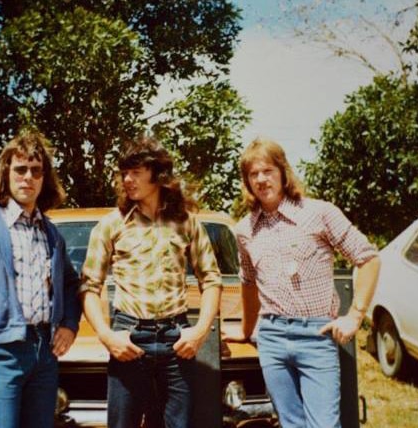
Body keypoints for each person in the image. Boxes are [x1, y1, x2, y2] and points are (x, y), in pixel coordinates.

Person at [225, 137, 381, 428]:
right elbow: (248, 283)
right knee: (290, 423)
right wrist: (247, 331)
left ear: (283, 172)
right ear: (246, 182)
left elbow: (368, 257)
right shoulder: (245, 230)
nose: (261, 179)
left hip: (316, 334)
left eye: (267, 170)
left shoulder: (319, 213)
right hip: (270, 336)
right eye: (253, 174)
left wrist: (355, 315)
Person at [79, 135, 222, 428]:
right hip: (129, 338)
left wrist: (199, 332)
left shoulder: (186, 221)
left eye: (136, 172)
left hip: (177, 339)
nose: (127, 180)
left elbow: (211, 278)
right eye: (124, 173)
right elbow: (88, 286)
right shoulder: (111, 224)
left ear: (157, 173)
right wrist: (107, 337)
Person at [0, 131, 82, 428]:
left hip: (43, 356)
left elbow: (73, 284)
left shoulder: (50, 232)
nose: (28, 178)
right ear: (6, 173)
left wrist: (70, 325)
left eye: (36, 171)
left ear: (44, 178)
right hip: (0, 355)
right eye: (20, 169)